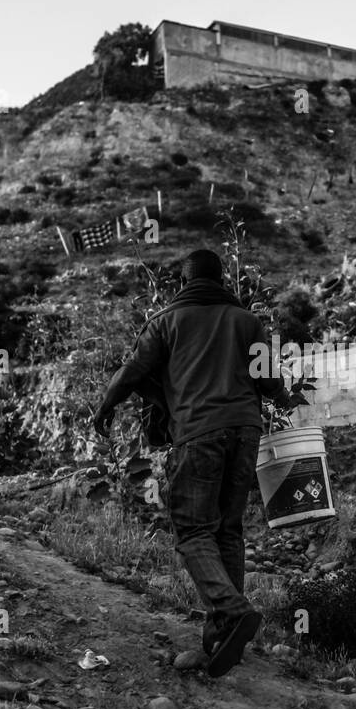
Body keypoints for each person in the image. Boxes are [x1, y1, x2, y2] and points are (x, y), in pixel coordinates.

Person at [92, 249, 291, 678]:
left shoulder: (166, 322)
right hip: (245, 432)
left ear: (182, 283)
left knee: (192, 530)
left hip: (198, 432)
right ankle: (223, 633)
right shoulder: (246, 321)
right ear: (221, 281)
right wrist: (286, 402)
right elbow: (271, 382)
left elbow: (131, 371)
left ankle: (232, 609)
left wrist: (105, 407)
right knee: (228, 529)